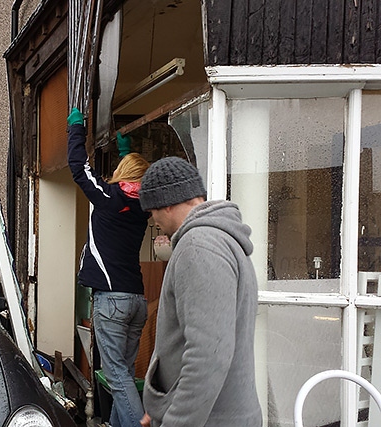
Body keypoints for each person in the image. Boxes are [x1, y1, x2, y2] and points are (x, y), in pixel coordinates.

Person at [138, 156, 262, 427]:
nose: (153, 220)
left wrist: (176, 420)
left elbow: (208, 354)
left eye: (152, 210)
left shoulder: (199, 247)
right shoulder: (220, 240)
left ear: (167, 202)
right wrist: (164, 409)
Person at [67, 107, 150, 427]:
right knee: (124, 375)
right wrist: (126, 153)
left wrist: (76, 130)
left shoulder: (108, 196)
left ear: (122, 174)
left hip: (111, 300)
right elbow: (132, 185)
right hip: (136, 301)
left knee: (116, 376)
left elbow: (78, 168)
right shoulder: (142, 206)